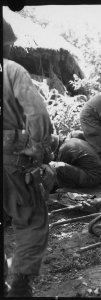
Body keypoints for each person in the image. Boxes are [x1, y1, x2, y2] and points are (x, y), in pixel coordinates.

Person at [3, 17, 54, 297]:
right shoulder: (11, 71)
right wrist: (38, 147)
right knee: (32, 217)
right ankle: (19, 286)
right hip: (10, 155)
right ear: (7, 44)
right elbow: (36, 113)